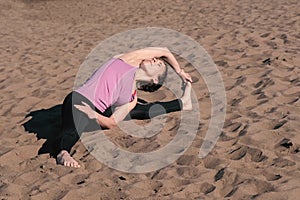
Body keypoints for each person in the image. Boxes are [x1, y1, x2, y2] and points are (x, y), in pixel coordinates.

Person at [55, 47, 193, 168]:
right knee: (74, 123)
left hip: (98, 113)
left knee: (141, 109)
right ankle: (63, 152)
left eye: (159, 64)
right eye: (156, 59)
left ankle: (183, 102)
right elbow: (164, 51)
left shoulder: (132, 98)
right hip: (80, 99)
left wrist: (94, 115)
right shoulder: (128, 61)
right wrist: (180, 72)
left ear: (155, 80)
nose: (154, 59)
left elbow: (112, 123)